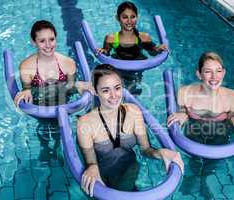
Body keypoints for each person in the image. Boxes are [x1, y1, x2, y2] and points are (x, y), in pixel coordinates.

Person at [77, 64, 184, 195]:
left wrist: (161, 153)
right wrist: (92, 166)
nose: (113, 95)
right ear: (94, 91)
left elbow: (145, 150)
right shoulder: (85, 123)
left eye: (117, 88)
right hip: (102, 177)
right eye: (105, 90)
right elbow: (90, 161)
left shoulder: (134, 112)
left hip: (129, 169)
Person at [167, 52, 234, 140]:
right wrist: (182, 115)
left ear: (223, 73)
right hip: (192, 134)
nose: (214, 77)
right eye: (208, 71)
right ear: (199, 74)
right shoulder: (184, 93)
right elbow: (182, 113)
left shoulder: (233, 97)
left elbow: (229, 121)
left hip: (220, 136)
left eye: (218, 71)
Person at [14, 20, 93, 106]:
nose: (48, 45)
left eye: (51, 39)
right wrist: (26, 91)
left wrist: (76, 85)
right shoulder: (26, 66)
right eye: (42, 41)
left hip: (65, 105)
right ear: (34, 42)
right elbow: (27, 90)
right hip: (40, 108)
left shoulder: (68, 63)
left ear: (56, 39)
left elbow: (70, 90)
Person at [96, 1, 168, 95]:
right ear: (117, 18)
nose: (129, 21)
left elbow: (152, 51)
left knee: (132, 88)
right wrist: (103, 51)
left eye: (133, 17)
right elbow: (107, 53)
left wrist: (158, 49)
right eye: (125, 17)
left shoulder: (143, 37)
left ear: (137, 17)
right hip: (119, 67)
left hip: (137, 68)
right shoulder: (111, 39)